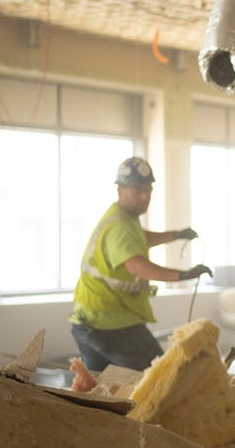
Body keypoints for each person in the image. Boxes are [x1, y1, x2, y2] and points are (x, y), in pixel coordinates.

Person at [70, 157, 211, 372]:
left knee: (101, 388)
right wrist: (182, 276)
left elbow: (139, 240)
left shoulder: (123, 217)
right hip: (111, 323)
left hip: (90, 320)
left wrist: (175, 235)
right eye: (137, 189)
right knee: (159, 376)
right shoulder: (120, 226)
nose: (145, 196)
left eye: (148, 189)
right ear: (120, 190)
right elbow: (136, 265)